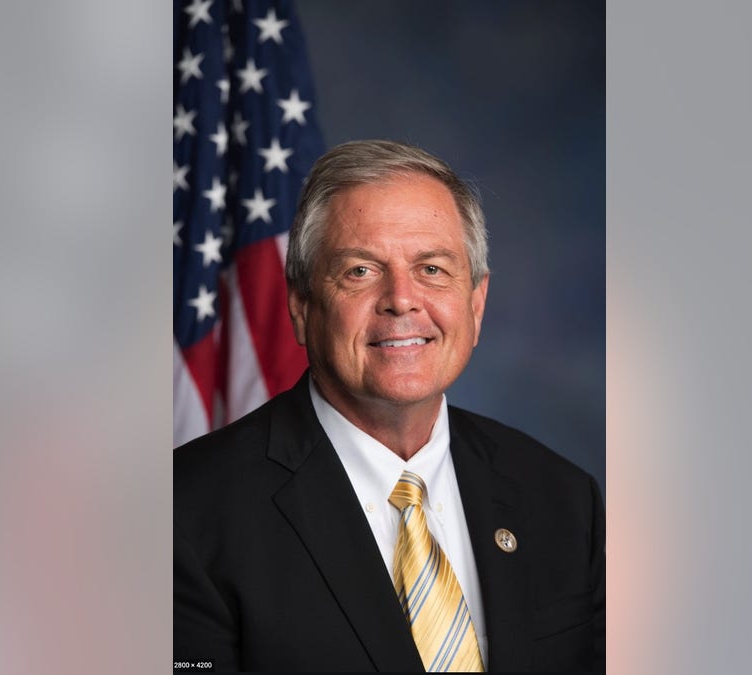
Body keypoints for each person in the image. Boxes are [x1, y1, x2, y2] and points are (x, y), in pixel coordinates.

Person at [174, 140, 604, 672]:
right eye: (360, 270)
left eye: (432, 269)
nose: (401, 298)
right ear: (301, 307)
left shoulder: (564, 499)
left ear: (476, 303)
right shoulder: (185, 514)